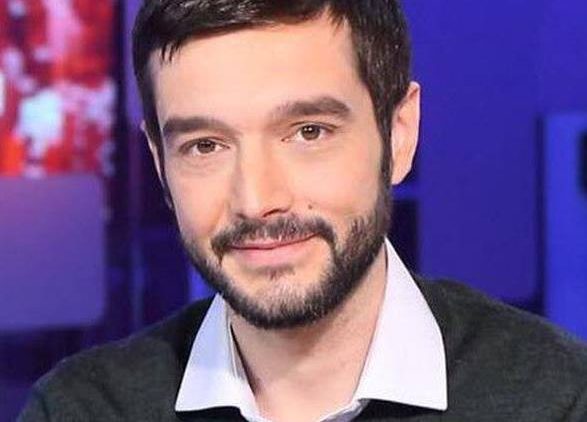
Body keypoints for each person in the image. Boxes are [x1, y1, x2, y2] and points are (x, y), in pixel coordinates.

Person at [19, 0, 587, 420]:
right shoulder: (83, 409)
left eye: (308, 132)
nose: (256, 200)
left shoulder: (556, 396)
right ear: (159, 162)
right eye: (205, 146)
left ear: (400, 134)